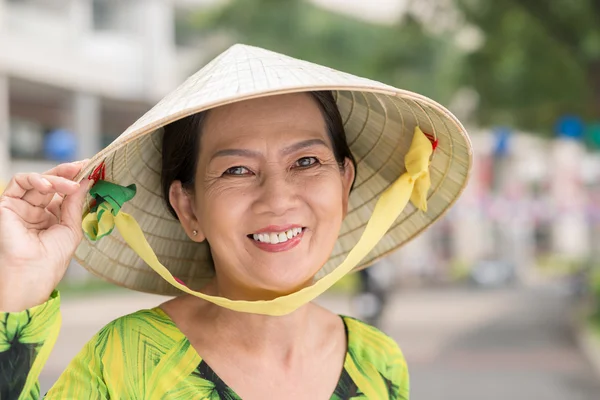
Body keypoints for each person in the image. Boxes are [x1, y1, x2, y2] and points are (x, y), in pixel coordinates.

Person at [0, 44, 471, 399]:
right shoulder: (127, 359)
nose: (278, 198)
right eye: (237, 170)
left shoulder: (378, 360)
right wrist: (19, 284)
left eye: (306, 162)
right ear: (189, 209)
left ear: (344, 185)